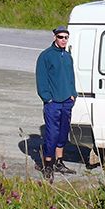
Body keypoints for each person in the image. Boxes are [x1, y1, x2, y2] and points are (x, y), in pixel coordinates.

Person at [35, 25, 78, 181]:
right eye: (60, 37)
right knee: (51, 134)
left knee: (63, 133)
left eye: (66, 37)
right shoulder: (46, 56)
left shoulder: (67, 56)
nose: (63, 40)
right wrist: (47, 98)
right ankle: (48, 164)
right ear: (54, 37)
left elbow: (71, 78)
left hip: (67, 101)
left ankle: (59, 162)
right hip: (53, 103)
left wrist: (73, 95)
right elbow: (41, 80)